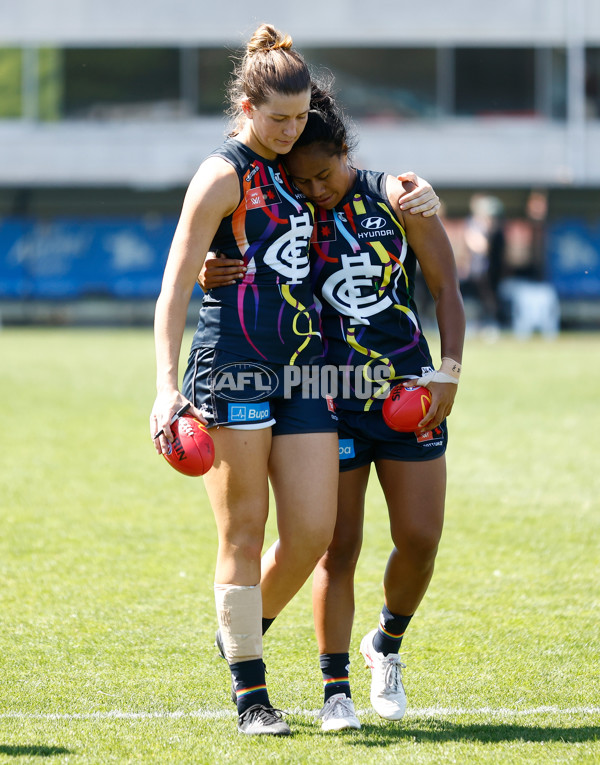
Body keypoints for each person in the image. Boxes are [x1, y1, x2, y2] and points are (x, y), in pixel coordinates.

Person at [151, 24, 439, 736]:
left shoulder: (299, 168)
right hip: (234, 365)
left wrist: (421, 191)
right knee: (245, 529)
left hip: (309, 374)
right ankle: (252, 695)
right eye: (278, 118)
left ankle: (238, 628)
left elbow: (358, 191)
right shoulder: (223, 174)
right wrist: (164, 384)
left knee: (314, 532)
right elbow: (174, 287)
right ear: (245, 108)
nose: (290, 130)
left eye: (301, 116)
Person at [200, 82, 464, 732]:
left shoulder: (398, 197)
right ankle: (332, 687)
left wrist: (448, 373)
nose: (315, 189)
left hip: (407, 392)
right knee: (335, 545)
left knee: (421, 541)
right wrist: (216, 264)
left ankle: (387, 643)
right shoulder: (290, 204)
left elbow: (447, 287)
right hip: (330, 398)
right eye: (303, 179)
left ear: (345, 150)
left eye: (323, 174)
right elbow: (245, 249)